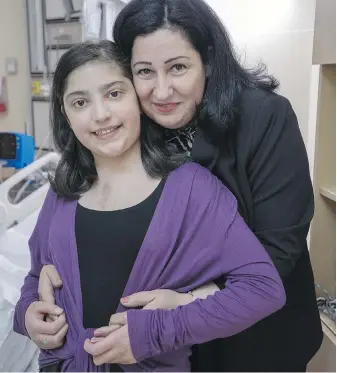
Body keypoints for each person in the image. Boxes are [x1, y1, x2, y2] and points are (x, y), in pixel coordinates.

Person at [33, 0, 323, 371]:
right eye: (144, 72)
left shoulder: (263, 116)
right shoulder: (139, 124)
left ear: (209, 60)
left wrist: (190, 301)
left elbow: (280, 247)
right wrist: (57, 272)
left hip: (257, 332)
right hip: (171, 342)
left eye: (179, 68)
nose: (162, 91)